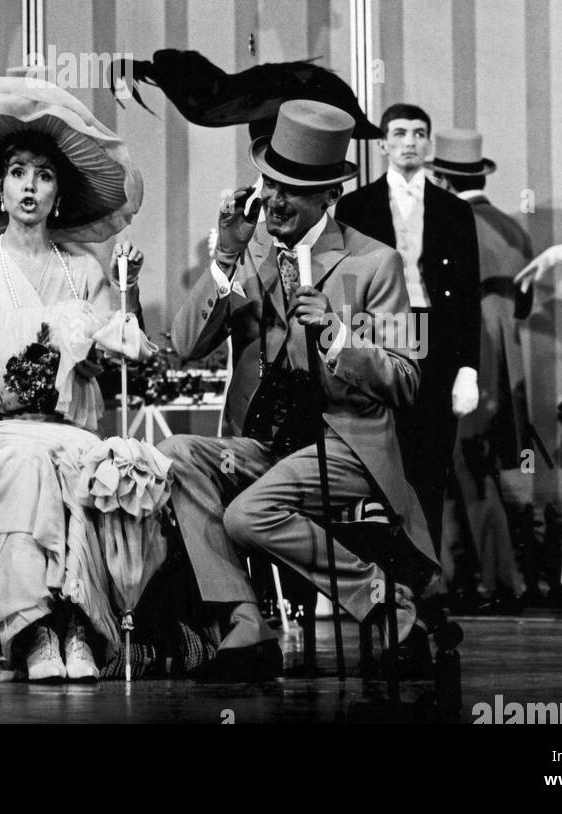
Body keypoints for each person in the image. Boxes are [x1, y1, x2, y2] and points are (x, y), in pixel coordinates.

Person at [161, 100, 436, 681]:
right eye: (270, 183)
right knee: (174, 455)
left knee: (247, 516)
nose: (275, 201)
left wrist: (339, 336)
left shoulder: (374, 263)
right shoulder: (250, 250)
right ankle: (245, 621)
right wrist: (225, 259)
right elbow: (185, 344)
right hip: (262, 443)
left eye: (293, 190)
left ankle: (385, 602)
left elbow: (408, 379)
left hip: (343, 447)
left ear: (328, 196)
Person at [0, 73, 147, 682]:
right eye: (19, 172)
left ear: (58, 197)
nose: (30, 186)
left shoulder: (83, 273)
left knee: (83, 462)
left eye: (44, 176)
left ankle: (78, 626)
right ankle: (36, 629)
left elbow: (119, 346)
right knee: (27, 466)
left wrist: (119, 312)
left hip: (61, 425)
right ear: (0, 190)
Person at [333, 103, 482, 549]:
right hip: (382, 333)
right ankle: (385, 577)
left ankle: (426, 581)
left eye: (419, 133)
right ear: (382, 145)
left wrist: (468, 368)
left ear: (429, 144)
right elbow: (348, 286)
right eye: (399, 133)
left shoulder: (454, 211)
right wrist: (349, 354)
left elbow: (468, 293)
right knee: (381, 456)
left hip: (434, 333)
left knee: (431, 458)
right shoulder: (356, 206)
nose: (409, 142)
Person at [427, 130, 530, 609]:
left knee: (464, 470)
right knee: (472, 469)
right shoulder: (514, 229)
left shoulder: (448, 222)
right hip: (510, 367)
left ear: (442, 178)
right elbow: (525, 306)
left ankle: (494, 583)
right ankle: (466, 579)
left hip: (467, 357)